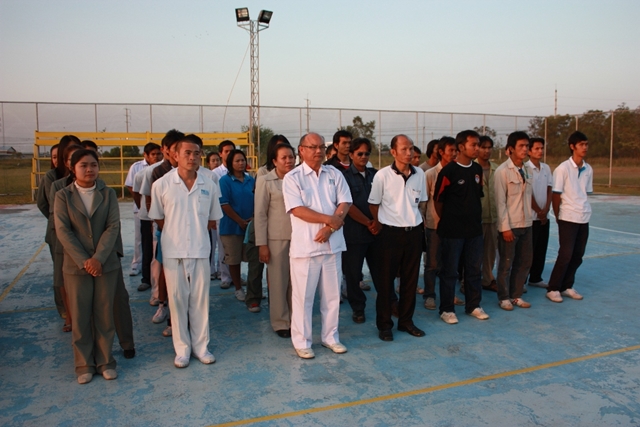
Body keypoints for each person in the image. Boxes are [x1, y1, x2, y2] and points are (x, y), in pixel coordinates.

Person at [149, 137, 223, 368]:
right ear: (175, 155)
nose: (192, 157)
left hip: (200, 249)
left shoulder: (209, 184)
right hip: (173, 251)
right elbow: (159, 217)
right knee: (177, 301)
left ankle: (201, 347)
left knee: (200, 301)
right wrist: (176, 232)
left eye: (196, 153)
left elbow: (212, 219)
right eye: (187, 153)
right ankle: (182, 350)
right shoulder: (161, 185)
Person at [54, 149, 121, 384]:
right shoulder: (63, 196)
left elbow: (113, 227)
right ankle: (84, 364)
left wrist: (98, 259)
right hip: (76, 266)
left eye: (93, 164)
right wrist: (85, 261)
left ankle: (105, 362)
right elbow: (63, 231)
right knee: (81, 316)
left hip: (105, 264)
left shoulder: (108, 193)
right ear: (73, 168)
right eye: (83, 165)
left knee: (104, 314)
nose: (89, 169)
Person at [283, 132, 352, 359]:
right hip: (306, 249)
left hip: (332, 246)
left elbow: (345, 202)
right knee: (303, 298)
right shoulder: (293, 178)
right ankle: (302, 341)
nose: (318, 151)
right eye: (313, 147)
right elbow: (297, 209)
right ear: (301, 150)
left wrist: (330, 228)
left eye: (322, 147)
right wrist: (329, 220)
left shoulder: (334, 173)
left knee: (332, 296)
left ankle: (331, 337)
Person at [368, 134, 427, 341]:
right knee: (386, 283)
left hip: (414, 233)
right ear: (393, 152)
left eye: (411, 148)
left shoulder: (420, 174)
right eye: (404, 149)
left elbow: (420, 202)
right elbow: (373, 204)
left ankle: (406, 321)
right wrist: (379, 223)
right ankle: (385, 325)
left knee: (410, 281)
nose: (409, 153)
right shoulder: (382, 176)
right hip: (389, 235)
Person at [434, 130, 490, 325]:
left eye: (478, 145)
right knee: (450, 272)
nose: (477, 148)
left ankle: (473, 305)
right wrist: (449, 220)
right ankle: (447, 309)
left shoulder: (477, 169)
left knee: (474, 270)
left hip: (474, 231)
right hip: (452, 232)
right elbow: (438, 201)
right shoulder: (448, 171)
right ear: (461, 147)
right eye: (473, 145)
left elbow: (477, 196)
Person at [140, 129, 184, 337]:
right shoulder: (158, 172)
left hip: (187, 233)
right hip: (167, 231)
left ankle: (184, 314)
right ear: (166, 150)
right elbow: (152, 204)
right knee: (166, 270)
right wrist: (167, 228)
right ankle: (163, 305)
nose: (178, 152)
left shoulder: (191, 171)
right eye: (174, 148)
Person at [37, 134, 81, 319]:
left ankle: (78, 309)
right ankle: (65, 311)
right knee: (60, 274)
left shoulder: (84, 173)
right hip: (58, 232)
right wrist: (56, 221)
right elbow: (46, 204)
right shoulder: (53, 178)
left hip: (80, 231)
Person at [546, 131, 593, 303]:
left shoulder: (588, 169)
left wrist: (584, 210)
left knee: (578, 254)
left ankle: (567, 285)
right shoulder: (562, 169)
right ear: (572, 147)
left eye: (586, 144)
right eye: (581, 144)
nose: (585, 147)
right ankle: (553, 288)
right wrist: (558, 216)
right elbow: (556, 195)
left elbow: (585, 193)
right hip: (567, 217)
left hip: (583, 217)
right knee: (565, 254)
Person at [255, 142, 296, 337]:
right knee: (279, 282)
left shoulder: (299, 179)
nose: (289, 161)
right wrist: (262, 244)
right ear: (275, 161)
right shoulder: (266, 181)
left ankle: (296, 320)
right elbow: (260, 214)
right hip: (276, 238)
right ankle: (280, 322)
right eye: (284, 158)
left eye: (291, 157)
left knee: (297, 283)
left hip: (299, 238)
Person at [422, 136, 464, 310]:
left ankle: (449, 294)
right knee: (432, 263)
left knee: (451, 264)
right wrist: (424, 222)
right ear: (441, 152)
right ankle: (429, 295)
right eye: (451, 150)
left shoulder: (459, 172)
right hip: (434, 226)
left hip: (454, 227)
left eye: (456, 150)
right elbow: (424, 202)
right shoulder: (430, 174)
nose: (454, 154)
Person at [494, 131, 533, 310]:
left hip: (527, 224)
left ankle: (516, 295)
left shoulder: (528, 170)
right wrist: (505, 228)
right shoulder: (502, 172)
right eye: (521, 146)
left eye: (527, 146)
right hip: (510, 226)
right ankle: (504, 297)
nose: (525, 149)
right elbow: (500, 202)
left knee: (524, 262)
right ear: (511, 149)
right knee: (506, 263)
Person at [341, 137, 378, 324]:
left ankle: (388, 303)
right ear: (351, 155)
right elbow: (348, 205)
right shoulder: (344, 177)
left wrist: (377, 223)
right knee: (353, 274)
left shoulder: (376, 175)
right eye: (359, 153)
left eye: (367, 153)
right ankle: (358, 308)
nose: (364, 157)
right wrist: (368, 222)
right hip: (354, 234)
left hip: (376, 234)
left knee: (381, 272)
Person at [219, 149, 261, 306]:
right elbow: (224, 204)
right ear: (230, 163)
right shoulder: (224, 181)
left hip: (250, 225)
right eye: (237, 161)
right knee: (234, 259)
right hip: (231, 226)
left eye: (243, 160)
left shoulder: (251, 180)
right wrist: (240, 221)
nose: (241, 163)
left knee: (253, 259)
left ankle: (253, 290)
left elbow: (258, 200)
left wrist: (252, 218)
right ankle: (238, 288)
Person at [48, 143, 83, 332]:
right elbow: (49, 209)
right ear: (68, 163)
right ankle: (69, 316)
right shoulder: (58, 186)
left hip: (87, 239)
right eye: (71, 159)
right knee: (63, 279)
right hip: (63, 239)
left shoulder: (100, 187)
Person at [125, 143, 163, 280]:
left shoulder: (166, 169)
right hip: (143, 211)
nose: (156, 157)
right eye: (153, 154)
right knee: (141, 241)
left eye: (158, 154)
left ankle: (153, 273)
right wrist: (142, 206)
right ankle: (138, 266)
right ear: (146, 155)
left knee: (156, 243)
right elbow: (133, 189)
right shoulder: (138, 168)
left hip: (159, 212)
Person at [525, 137, 553, 289]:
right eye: (536, 148)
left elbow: (549, 189)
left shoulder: (546, 168)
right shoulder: (525, 168)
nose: (540, 151)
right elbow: (527, 192)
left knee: (541, 249)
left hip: (543, 218)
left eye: (542, 148)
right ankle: (522, 280)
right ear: (529, 151)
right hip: (531, 218)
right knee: (528, 251)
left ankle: (536, 278)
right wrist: (537, 210)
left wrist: (546, 210)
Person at [476, 135, 499, 292]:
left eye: (489, 147)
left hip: (493, 217)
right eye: (483, 147)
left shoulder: (497, 169)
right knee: (473, 253)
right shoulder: (471, 168)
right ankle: (467, 281)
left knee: (490, 251)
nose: (487, 151)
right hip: (476, 218)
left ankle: (487, 279)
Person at [213, 140, 236, 289]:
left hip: (238, 215)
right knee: (223, 248)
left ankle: (235, 276)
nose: (229, 154)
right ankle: (225, 277)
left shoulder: (240, 172)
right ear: (220, 154)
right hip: (221, 215)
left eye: (231, 151)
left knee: (236, 249)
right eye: (226, 151)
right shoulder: (215, 174)